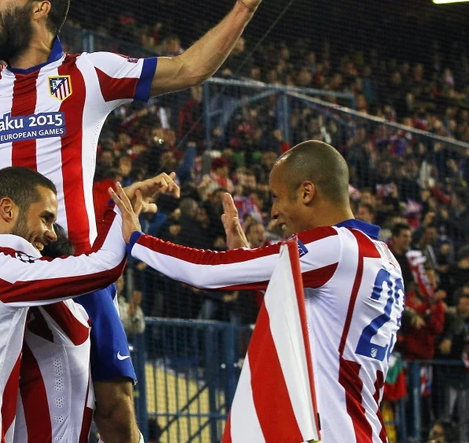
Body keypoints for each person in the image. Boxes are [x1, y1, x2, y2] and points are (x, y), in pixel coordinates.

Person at [0, 0, 266, 442]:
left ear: (40, 7)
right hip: (6, 272)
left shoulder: (89, 73)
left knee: (113, 410)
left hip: (77, 267)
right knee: (7, 405)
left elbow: (188, 69)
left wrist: (242, 9)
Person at [124, 141, 404, 442]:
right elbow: (318, 318)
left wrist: (136, 239)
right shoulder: (383, 257)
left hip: (336, 433)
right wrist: (246, 258)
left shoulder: (335, 247)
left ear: (306, 192)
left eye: (276, 197)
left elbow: (208, 272)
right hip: (365, 428)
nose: (273, 213)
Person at [0, 166, 157, 442]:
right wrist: (121, 211)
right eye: (46, 218)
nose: (52, 233)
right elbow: (105, 266)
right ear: (7, 210)